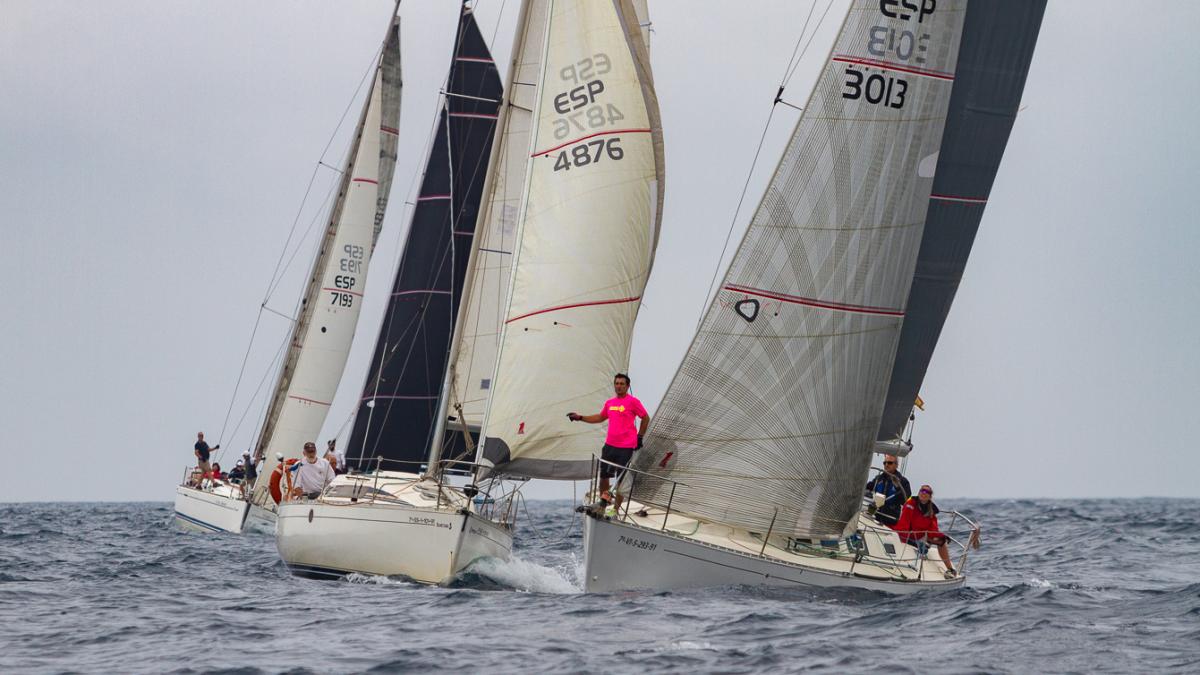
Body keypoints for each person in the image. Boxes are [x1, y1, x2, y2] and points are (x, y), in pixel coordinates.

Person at [566, 373, 649, 514]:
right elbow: (600, 417)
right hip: (610, 446)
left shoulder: (633, 402)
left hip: (626, 447)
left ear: (627, 386)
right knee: (604, 477)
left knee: (620, 480)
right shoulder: (610, 403)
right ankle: (603, 507)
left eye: (622, 384)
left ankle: (615, 510)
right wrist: (580, 417)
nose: (619, 386)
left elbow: (645, 418)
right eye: (617, 383)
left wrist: (639, 437)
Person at [894, 484, 956, 579]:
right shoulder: (911, 504)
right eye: (922, 491)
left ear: (930, 496)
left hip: (921, 536)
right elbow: (903, 525)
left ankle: (950, 569)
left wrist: (942, 536)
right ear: (919, 493)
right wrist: (910, 540)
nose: (924, 493)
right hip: (908, 535)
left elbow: (933, 530)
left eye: (927, 492)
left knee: (941, 541)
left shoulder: (931, 511)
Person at [864, 455, 911, 527]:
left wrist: (898, 487)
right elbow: (868, 487)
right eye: (884, 463)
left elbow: (906, 500)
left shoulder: (903, 481)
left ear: (896, 465)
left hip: (890, 521)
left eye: (889, 463)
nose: (886, 465)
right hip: (875, 518)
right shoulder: (879, 478)